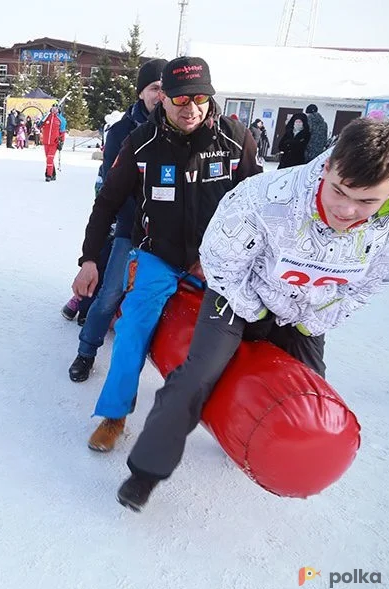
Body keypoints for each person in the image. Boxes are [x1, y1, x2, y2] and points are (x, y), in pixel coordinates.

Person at [116, 118, 389, 512]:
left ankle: (270, 453)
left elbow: (368, 284)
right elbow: (220, 261)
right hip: (239, 296)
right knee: (197, 376)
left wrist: (311, 322)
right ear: (327, 166)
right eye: (339, 191)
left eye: (367, 201)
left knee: (308, 397)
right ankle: (145, 472)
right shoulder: (268, 197)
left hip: (306, 310)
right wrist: (254, 313)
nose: (348, 209)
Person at [72, 56, 262, 453]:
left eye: (199, 98)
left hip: (219, 261)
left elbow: (258, 205)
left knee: (246, 334)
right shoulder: (140, 142)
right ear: (164, 100)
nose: (190, 108)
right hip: (159, 255)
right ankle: (115, 415)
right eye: (179, 99)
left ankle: (244, 424)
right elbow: (106, 202)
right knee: (131, 329)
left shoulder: (236, 140)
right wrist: (90, 258)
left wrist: (239, 258)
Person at [66, 58, 167, 382]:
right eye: (154, 88)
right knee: (110, 293)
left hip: (167, 232)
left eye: (167, 89)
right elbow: (114, 188)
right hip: (130, 225)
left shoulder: (178, 130)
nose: (161, 95)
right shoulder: (123, 132)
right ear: (141, 93)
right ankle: (86, 351)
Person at [40, 104, 66, 181]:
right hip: (46, 142)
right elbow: (39, 126)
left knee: (49, 159)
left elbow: (62, 132)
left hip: (54, 142)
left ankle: (48, 175)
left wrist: (62, 142)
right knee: (48, 159)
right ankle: (53, 174)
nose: (54, 110)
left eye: (56, 108)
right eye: (53, 108)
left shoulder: (61, 119)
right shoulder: (46, 117)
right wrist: (40, 122)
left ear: (59, 110)